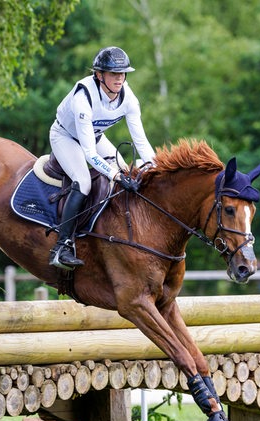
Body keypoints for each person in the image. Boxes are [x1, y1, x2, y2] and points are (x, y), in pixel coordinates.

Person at [48, 46, 156, 269]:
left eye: (123, 73)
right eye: (114, 74)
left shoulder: (129, 98)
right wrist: (115, 175)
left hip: (94, 137)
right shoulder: (83, 98)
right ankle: (62, 246)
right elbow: (89, 154)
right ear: (99, 75)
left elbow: (141, 142)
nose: (120, 79)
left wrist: (155, 167)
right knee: (84, 182)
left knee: (127, 171)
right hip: (65, 137)